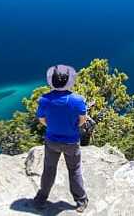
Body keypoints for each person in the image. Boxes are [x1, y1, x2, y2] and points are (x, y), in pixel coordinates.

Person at [32, 64, 89, 213]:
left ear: (52, 80)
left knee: (49, 169)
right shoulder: (77, 100)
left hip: (52, 141)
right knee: (74, 170)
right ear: (69, 81)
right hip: (71, 141)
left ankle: (41, 199)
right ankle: (81, 201)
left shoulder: (44, 100)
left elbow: (42, 119)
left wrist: (52, 126)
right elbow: (82, 119)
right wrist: (72, 126)